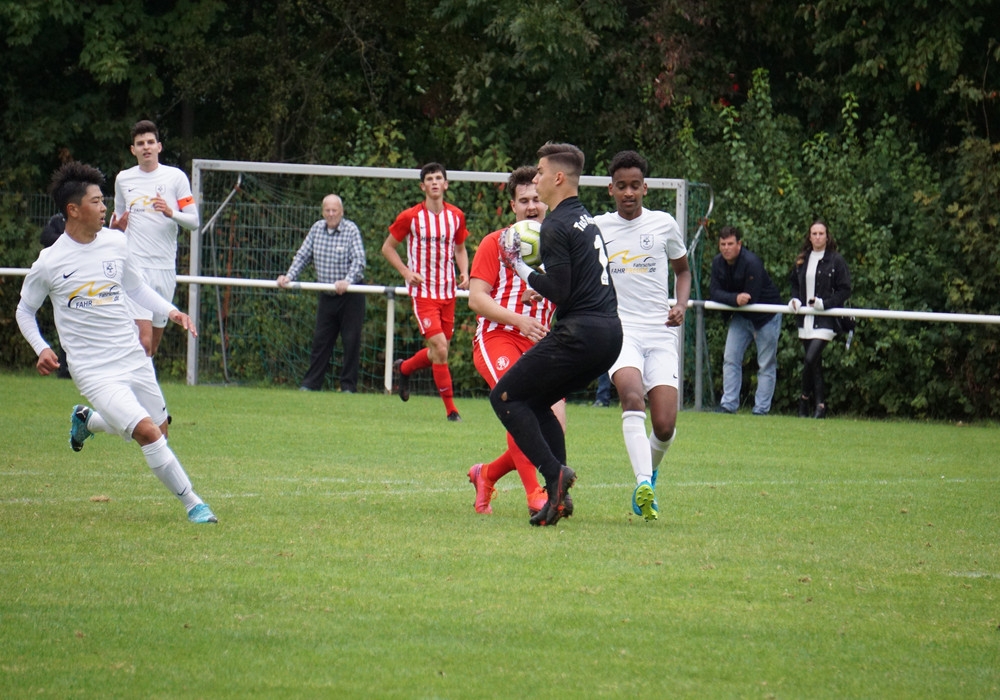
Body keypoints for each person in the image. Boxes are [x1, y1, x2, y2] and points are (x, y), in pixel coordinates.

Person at [15, 162, 217, 524]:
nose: (104, 207)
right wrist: (41, 347)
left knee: (160, 430)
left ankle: (88, 421)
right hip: (93, 369)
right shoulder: (50, 262)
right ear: (73, 209)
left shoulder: (116, 242)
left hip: (132, 356)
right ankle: (194, 504)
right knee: (148, 433)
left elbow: (136, 288)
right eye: (96, 201)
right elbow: (25, 311)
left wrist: (171, 312)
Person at [492, 142, 622, 527]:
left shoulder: (554, 225)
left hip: (581, 333)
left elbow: (561, 291)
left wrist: (518, 265)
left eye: (540, 171)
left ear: (559, 177)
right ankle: (558, 499)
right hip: (609, 335)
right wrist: (544, 283)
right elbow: (574, 281)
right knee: (536, 402)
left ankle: (555, 475)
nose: (536, 178)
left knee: (505, 397)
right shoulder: (584, 218)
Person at [595, 150, 691, 522]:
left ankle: (650, 471)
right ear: (611, 189)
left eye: (635, 185)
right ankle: (642, 484)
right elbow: (575, 268)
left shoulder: (664, 224)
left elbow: (683, 271)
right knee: (632, 396)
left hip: (661, 332)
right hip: (620, 331)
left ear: (645, 188)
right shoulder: (599, 228)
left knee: (665, 425)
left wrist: (680, 304)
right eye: (621, 186)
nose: (629, 193)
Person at [467, 165, 563, 517]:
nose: (532, 206)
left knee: (549, 434)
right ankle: (536, 494)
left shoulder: (559, 246)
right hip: (498, 337)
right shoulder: (495, 242)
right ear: (513, 206)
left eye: (537, 198)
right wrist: (518, 319)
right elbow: (476, 299)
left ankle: (486, 474)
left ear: (547, 201)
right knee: (517, 404)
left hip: (542, 346)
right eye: (524, 200)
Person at [382, 163, 470, 421]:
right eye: (429, 179)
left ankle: (405, 368)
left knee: (438, 352)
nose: (434, 182)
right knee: (440, 348)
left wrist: (465, 272)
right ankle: (451, 411)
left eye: (438, 178)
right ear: (423, 186)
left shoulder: (456, 216)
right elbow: (387, 248)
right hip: (423, 293)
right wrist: (406, 272)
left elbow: (460, 249)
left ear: (446, 184)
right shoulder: (410, 216)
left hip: (448, 292)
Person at [111, 119, 200, 357]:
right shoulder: (123, 179)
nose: (146, 147)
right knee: (143, 342)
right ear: (133, 150)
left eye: (150, 142)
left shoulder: (176, 177)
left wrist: (171, 213)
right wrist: (115, 229)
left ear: (159, 147)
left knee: (152, 348)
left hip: (165, 269)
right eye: (140, 143)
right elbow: (117, 221)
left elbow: (194, 221)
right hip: (136, 267)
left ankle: (138, 381)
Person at [277, 194, 366, 393]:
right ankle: (310, 384)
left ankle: (348, 387)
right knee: (321, 340)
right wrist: (289, 276)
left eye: (335, 210)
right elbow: (302, 256)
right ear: (323, 212)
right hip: (327, 295)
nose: (331, 214)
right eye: (328, 210)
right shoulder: (316, 229)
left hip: (351, 296)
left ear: (341, 212)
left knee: (351, 341)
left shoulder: (351, 230)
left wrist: (347, 281)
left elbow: (359, 261)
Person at [709, 225, 783, 415]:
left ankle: (761, 410)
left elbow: (751, 298)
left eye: (730, 244)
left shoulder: (752, 262)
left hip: (766, 317)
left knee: (766, 364)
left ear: (739, 244)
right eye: (723, 244)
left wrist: (733, 299)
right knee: (730, 358)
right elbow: (714, 292)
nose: (726, 248)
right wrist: (735, 299)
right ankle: (728, 405)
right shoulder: (717, 263)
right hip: (741, 316)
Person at [788, 219, 852, 419]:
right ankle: (820, 406)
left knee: (810, 359)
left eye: (821, 233)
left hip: (826, 319)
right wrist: (795, 300)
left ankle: (804, 398)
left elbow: (845, 290)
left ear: (827, 236)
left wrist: (825, 304)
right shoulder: (802, 260)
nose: (817, 237)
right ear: (809, 237)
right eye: (814, 234)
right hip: (805, 319)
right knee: (814, 365)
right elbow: (794, 285)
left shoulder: (836, 260)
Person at [39, 213, 72, 379]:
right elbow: (45, 238)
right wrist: (70, 240)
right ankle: (64, 368)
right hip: (60, 278)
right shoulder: (56, 220)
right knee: (64, 323)